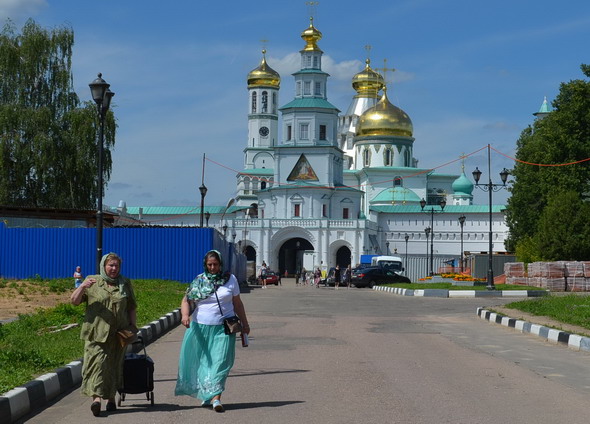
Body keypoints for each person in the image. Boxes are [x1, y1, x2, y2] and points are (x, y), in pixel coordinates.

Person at [176, 250, 250, 412]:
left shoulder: (231, 280)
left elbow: (237, 304)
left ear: (221, 264)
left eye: (215, 264)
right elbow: (186, 300)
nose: (212, 267)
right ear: (205, 265)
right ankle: (207, 394)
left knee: (221, 362)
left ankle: (216, 398)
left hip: (224, 328)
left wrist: (245, 324)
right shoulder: (199, 280)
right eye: (209, 265)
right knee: (204, 362)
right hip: (199, 328)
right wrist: (185, 315)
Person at [70, 253, 137, 417]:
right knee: (97, 365)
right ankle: (96, 400)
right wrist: (82, 286)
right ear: (103, 266)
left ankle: (111, 399)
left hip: (118, 333)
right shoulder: (92, 281)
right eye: (110, 265)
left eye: (116, 266)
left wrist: (133, 327)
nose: (113, 269)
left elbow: (131, 307)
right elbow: (74, 301)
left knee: (114, 366)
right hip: (96, 333)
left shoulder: (124, 283)